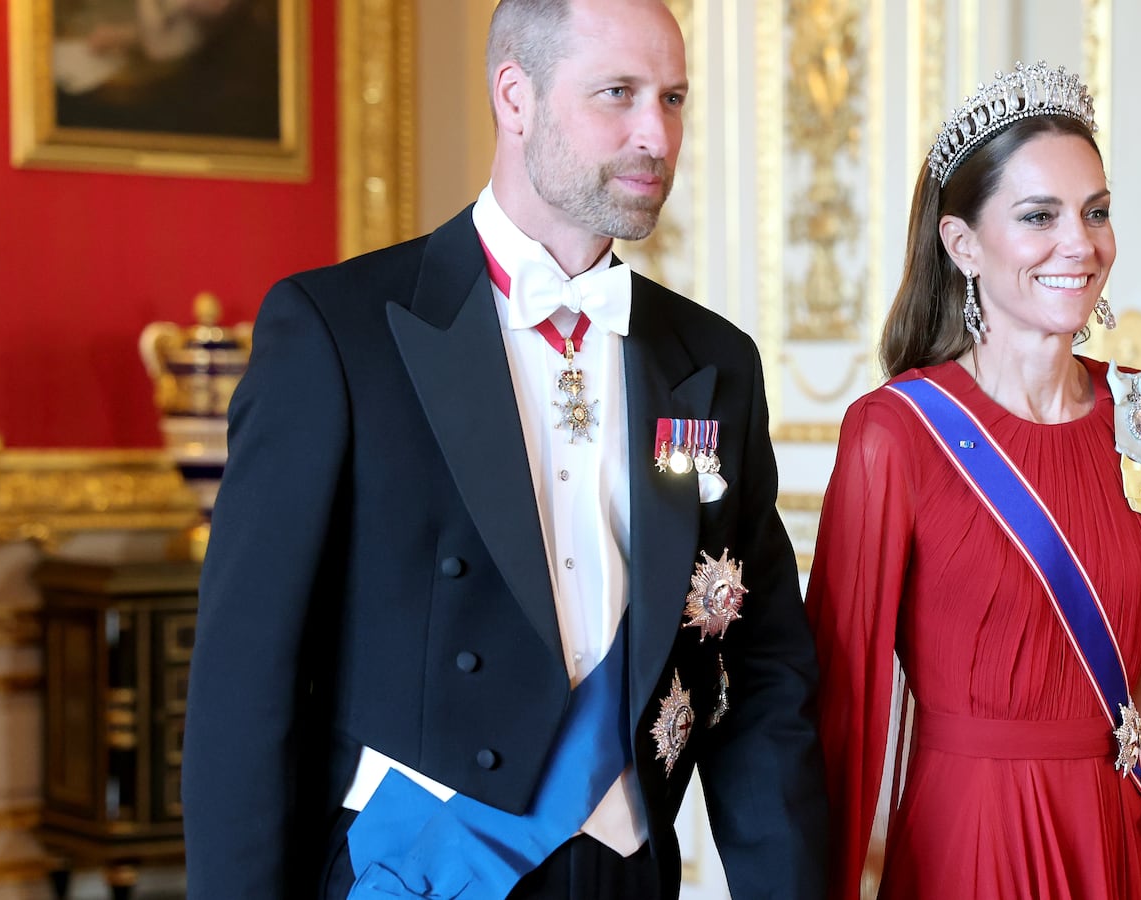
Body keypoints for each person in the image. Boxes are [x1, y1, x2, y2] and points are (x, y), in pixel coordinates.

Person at [180, 1, 828, 897]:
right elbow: (243, 689)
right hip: (412, 871)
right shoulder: (337, 334)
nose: (657, 133)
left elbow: (758, 676)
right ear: (514, 97)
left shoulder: (714, 362)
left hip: (624, 875)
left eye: (673, 98)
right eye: (619, 93)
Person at [805, 61, 1141, 899]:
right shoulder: (894, 432)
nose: (1082, 244)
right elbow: (842, 710)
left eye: (1096, 212)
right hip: (971, 841)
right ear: (963, 244)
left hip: (1115, 836)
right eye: (1040, 216)